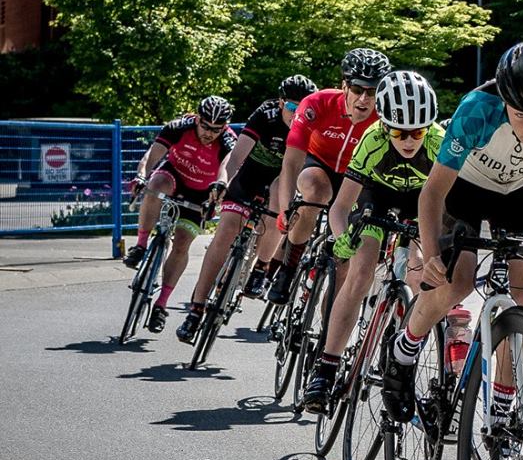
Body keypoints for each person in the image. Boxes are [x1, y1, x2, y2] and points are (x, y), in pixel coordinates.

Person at [382, 41, 523, 460]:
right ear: (505, 103)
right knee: (454, 284)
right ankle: (402, 353)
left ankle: (501, 414)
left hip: (517, 195)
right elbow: (433, 191)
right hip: (464, 190)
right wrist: (430, 251)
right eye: (522, 116)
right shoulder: (477, 110)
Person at [302, 71, 444, 414]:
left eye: (417, 132)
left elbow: (448, 203)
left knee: (421, 272)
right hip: (376, 199)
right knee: (361, 272)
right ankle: (327, 366)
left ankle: (401, 347)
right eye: (399, 132)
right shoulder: (372, 140)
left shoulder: (440, 141)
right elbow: (340, 206)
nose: (409, 141)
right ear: (385, 126)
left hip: (422, 202)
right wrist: (341, 240)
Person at [176, 74, 316, 342]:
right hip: (250, 174)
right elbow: (237, 155)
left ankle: (262, 267)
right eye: (290, 108)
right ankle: (196, 307)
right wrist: (222, 181)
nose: (296, 114)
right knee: (226, 231)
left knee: (280, 198)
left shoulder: (310, 124)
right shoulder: (265, 115)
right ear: (280, 102)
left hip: (281, 179)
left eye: (301, 109)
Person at [264, 48, 389, 302]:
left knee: (344, 262)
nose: (364, 99)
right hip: (318, 164)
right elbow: (291, 161)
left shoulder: (384, 118)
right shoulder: (317, 104)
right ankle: (288, 266)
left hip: (356, 175)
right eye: (357, 90)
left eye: (373, 92)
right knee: (316, 191)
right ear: (344, 86)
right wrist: (286, 208)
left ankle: (326, 332)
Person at [125, 96, 238, 333]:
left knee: (182, 243)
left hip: (201, 193)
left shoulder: (229, 141)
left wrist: (219, 191)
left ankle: (161, 304)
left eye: (216, 129)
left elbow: (227, 169)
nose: (209, 133)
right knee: (155, 186)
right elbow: (151, 156)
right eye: (205, 126)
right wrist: (141, 176)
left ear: (225, 127)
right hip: (173, 176)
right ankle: (141, 245)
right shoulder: (179, 127)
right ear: (197, 118)